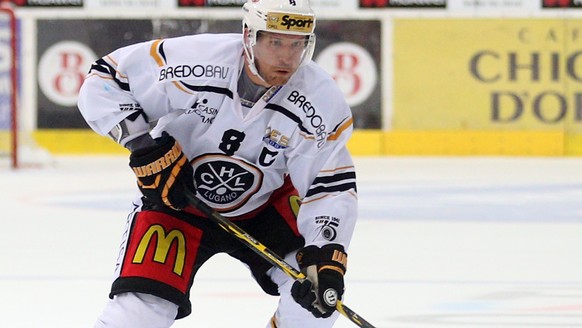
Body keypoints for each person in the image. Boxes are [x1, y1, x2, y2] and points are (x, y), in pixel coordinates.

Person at [77, 0, 358, 327]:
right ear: (248, 36)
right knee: (139, 314)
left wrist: (326, 255)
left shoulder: (321, 99)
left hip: (267, 206)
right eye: (276, 42)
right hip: (177, 202)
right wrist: (143, 146)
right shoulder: (194, 61)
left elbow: (329, 185)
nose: (287, 57)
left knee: (313, 303)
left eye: (297, 45)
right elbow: (106, 80)